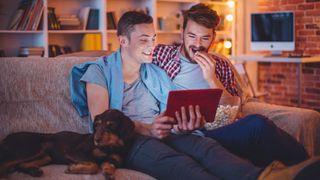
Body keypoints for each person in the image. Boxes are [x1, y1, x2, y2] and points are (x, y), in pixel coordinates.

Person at [70, 11, 320, 180]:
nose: (152, 45)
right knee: (185, 166)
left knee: (208, 147)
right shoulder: (98, 72)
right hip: (133, 140)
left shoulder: (154, 72)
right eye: (144, 39)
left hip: (166, 132)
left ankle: (272, 176)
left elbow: (175, 107)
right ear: (122, 41)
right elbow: (101, 124)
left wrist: (185, 123)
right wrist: (148, 129)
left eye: (154, 38)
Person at [152, 3, 309, 167]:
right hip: (183, 135)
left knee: (258, 127)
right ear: (182, 33)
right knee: (258, 125)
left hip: (214, 130)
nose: (197, 44)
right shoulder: (162, 55)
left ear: (213, 38)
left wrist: (212, 79)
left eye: (205, 38)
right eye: (192, 36)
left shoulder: (220, 64)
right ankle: (304, 167)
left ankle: (301, 167)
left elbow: (234, 110)